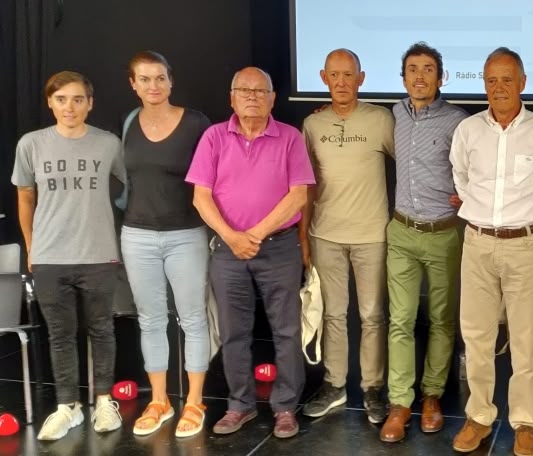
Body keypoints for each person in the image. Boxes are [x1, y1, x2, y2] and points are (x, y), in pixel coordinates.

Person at [450, 47, 533, 456]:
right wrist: (486, 218)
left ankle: (524, 421)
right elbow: (462, 181)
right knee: (477, 336)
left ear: (523, 83)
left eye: (507, 79)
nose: (498, 87)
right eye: (491, 80)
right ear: (483, 84)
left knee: (525, 338)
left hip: (527, 246)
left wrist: (530, 227)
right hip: (478, 243)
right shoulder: (468, 131)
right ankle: (479, 417)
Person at [185, 67, 315, 439]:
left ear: (273, 98)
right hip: (228, 250)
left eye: (261, 91)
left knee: (287, 331)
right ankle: (239, 405)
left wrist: (253, 234)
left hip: (278, 248)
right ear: (231, 98)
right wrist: (232, 236)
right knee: (233, 332)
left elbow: (298, 195)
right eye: (244, 90)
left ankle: (286, 407)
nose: (252, 96)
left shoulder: (289, 138)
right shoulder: (213, 138)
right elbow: (201, 196)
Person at [12, 71, 126, 440]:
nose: (70, 107)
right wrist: (32, 247)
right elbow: (25, 197)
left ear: (90, 103)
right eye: (61, 99)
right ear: (50, 103)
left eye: (78, 99)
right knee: (60, 335)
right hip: (49, 255)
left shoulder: (109, 144)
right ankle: (67, 407)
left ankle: (105, 402)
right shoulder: (31, 144)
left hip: (98, 254)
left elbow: (132, 186)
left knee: (102, 329)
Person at [118, 50, 213, 438]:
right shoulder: (128, 123)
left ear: (171, 81)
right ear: (133, 84)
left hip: (186, 234)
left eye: (160, 78)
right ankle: (160, 401)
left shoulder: (196, 123)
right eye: (145, 79)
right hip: (137, 234)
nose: (153, 86)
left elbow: (212, 178)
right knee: (151, 320)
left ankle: (194, 401)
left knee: (192, 319)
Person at [378, 42, 468, 443]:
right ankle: (400, 403)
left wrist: (466, 195)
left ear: (440, 76)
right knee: (399, 321)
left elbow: (476, 169)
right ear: (403, 77)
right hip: (400, 233)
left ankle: (432, 396)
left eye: (428, 69)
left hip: (443, 234)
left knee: (442, 320)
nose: (419, 76)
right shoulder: (394, 114)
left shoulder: (458, 121)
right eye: (412, 69)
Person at [300, 48, 395, 424]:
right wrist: (304, 236)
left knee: (373, 315)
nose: (341, 82)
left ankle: (373, 389)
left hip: (372, 233)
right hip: (326, 234)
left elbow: (408, 164)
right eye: (334, 75)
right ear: (324, 78)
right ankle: (335, 384)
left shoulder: (381, 119)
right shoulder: (312, 125)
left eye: (348, 75)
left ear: (361, 78)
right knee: (334, 315)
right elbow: (304, 185)